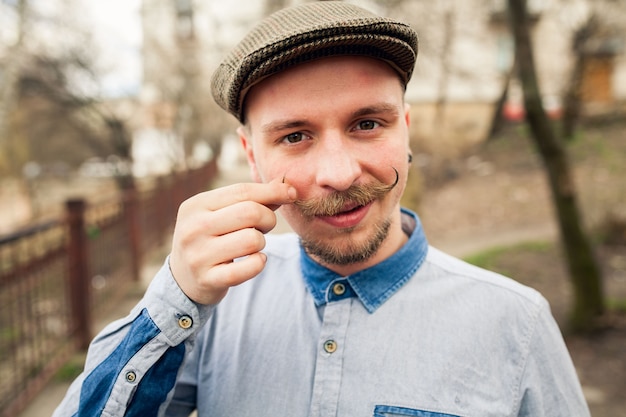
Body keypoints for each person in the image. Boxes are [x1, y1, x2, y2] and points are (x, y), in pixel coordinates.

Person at [54, 2, 590, 416]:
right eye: (294, 136)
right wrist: (176, 295)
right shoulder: (211, 309)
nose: (338, 173)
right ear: (252, 158)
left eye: (366, 124)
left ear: (406, 129)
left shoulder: (516, 324)